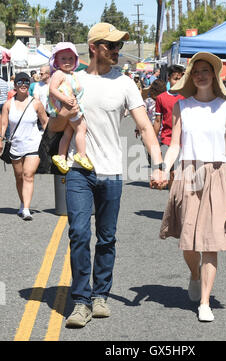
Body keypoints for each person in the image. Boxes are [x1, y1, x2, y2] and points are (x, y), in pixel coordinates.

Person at [47, 22, 165, 328]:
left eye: (118, 46)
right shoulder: (72, 80)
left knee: (107, 238)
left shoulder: (125, 83)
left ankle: (100, 294)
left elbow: (144, 126)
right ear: (95, 47)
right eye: (111, 46)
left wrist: (158, 163)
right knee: (78, 233)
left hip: (112, 171)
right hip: (78, 169)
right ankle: (82, 301)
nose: (117, 51)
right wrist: (64, 112)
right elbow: (55, 128)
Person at [158, 52, 226, 322]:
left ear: (214, 74)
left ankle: (205, 302)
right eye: (196, 70)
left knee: (211, 242)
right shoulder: (182, 106)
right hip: (187, 173)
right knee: (188, 242)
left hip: (217, 174)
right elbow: (175, 145)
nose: (200, 74)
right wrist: (163, 167)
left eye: (206, 70)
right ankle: (195, 275)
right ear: (190, 76)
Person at [0, 72, 48, 220]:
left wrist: (49, 142)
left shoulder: (35, 103)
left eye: (26, 82)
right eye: (20, 82)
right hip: (16, 145)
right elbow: (3, 124)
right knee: (19, 177)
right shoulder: (8, 104)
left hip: (34, 144)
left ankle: (26, 209)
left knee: (28, 175)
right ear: (14, 86)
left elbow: (45, 122)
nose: (23, 85)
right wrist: (1, 139)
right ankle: (22, 203)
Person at [48, 42, 93, 174]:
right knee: (81, 129)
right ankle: (81, 154)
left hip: (70, 106)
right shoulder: (59, 74)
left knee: (68, 132)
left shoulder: (72, 74)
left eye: (70, 58)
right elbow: (52, 89)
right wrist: (65, 99)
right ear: (56, 60)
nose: (67, 62)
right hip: (68, 106)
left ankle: (61, 156)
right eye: (63, 58)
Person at [153, 64, 185, 189]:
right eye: (175, 78)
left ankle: (176, 200)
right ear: (168, 79)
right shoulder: (161, 98)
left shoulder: (187, 97)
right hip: (167, 140)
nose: (178, 81)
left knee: (181, 175)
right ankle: (173, 200)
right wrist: (154, 141)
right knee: (173, 172)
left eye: (180, 78)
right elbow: (157, 120)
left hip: (185, 141)